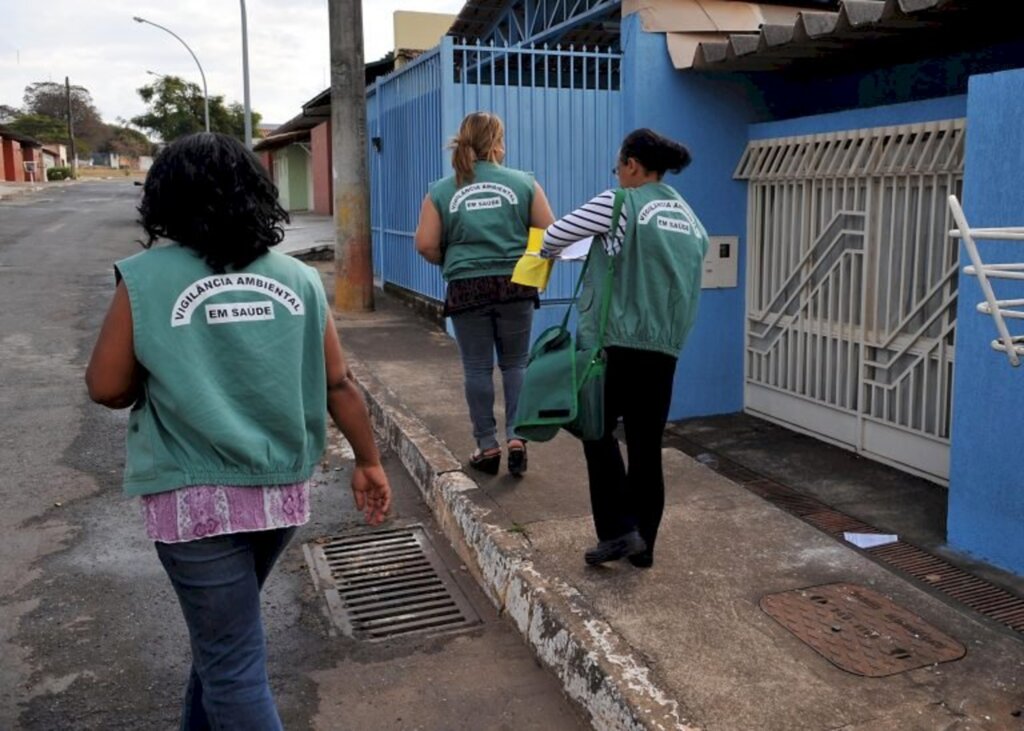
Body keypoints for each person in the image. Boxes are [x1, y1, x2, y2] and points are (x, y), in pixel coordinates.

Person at [85, 132, 391, 730]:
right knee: (223, 642)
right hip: (277, 494)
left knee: (231, 663)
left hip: (193, 498)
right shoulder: (297, 279)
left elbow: (105, 386)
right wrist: (369, 461)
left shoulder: (144, 279)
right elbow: (339, 384)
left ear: (164, 200)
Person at [540, 128, 709, 568]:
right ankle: (644, 548)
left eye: (618, 167)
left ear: (632, 164)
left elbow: (553, 237)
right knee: (646, 445)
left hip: (613, 344)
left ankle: (618, 531)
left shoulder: (617, 204)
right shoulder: (690, 220)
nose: (616, 175)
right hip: (664, 349)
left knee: (593, 429)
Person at [414, 111, 555, 477]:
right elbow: (549, 232)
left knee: (477, 367)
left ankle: (487, 445)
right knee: (515, 363)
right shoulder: (524, 184)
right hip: (515, 284)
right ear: (495, 144)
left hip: (466, 286)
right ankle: (516, 437)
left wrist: (454, 259)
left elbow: (426, 244)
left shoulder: (442, 190)